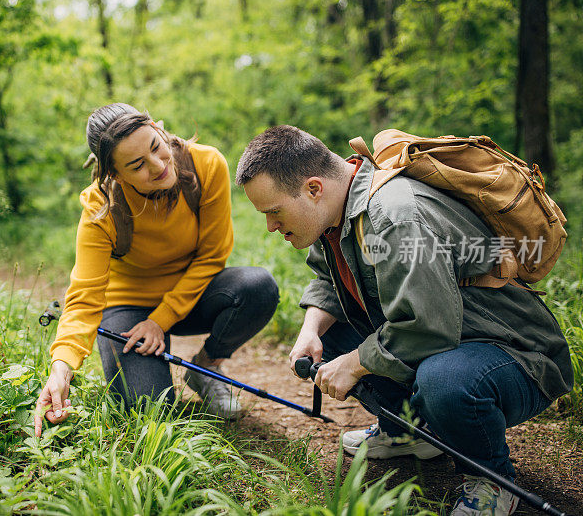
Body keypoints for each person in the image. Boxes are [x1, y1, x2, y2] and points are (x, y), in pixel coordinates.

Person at [235, 125, 573, 516]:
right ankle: (409, 433)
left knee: (444, 382)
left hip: (513, 354)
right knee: (330, 338)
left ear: (313, 188)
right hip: (450, 337)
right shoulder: (336, 213)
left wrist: (355, 362)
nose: (270, 226)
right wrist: (311, 331)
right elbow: (330, 280)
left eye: (274, 211)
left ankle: (492, 481)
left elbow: (429, 325)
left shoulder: (393, 215)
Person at [34, 103, 279, 435]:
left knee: (258, 286)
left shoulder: (207, 164)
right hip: (129, 308)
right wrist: (61, 370)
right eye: (137, 165)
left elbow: (212, 255)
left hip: (193, 297)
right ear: (114, 174)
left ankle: (206, 368)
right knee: (149, 412)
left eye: (155, 146)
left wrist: (160, 320)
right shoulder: (100, 207)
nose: (158, 165)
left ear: (158, 128)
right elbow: (83, 298)